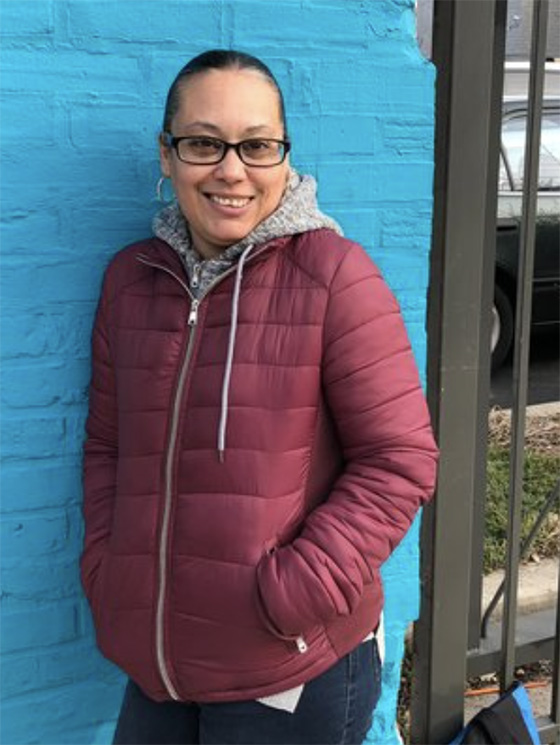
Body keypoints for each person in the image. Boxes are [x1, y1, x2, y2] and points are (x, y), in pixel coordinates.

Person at [81, 49, 438, 745]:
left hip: (288, 666)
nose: (232, 169)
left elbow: (399, 460)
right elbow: (107, 444)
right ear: (167, 153)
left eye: (257, 145)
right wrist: (108, 567)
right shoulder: (132, 281)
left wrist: (293, 593)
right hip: (156, 660)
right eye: (204, 143)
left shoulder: (334, 276)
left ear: (284, 155)